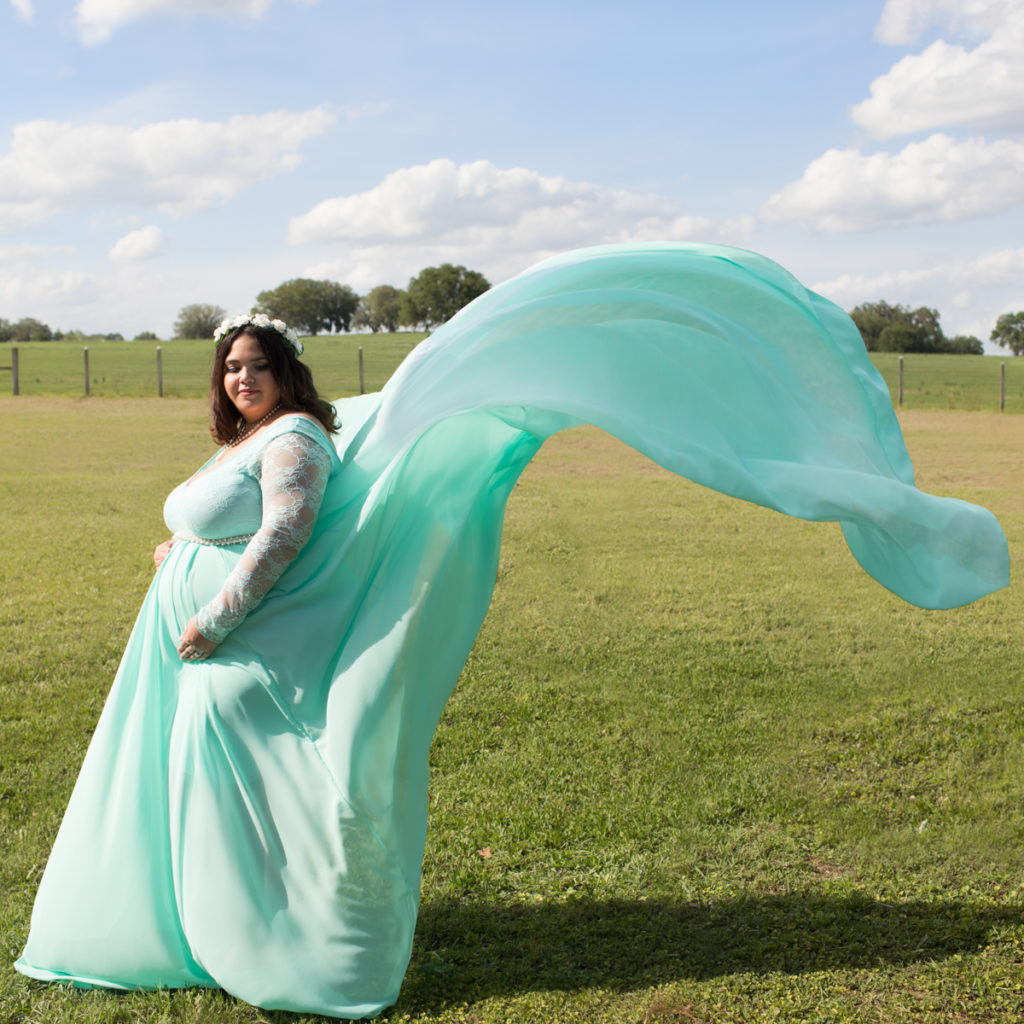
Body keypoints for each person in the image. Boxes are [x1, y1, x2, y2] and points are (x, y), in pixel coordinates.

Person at [15, 243, 1009, 1019]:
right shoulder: (259, 436)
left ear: (287, 371)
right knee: (208, 808)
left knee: (275, 803)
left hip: (233, 647)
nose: (240, 377)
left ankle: (302, 948)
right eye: (230, 366)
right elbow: (232, 517)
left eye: (257, 364)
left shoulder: (297, 439)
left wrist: (213, 614)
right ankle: (217, 933)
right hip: (203, 643)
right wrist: (173, 554)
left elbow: (285, 531)